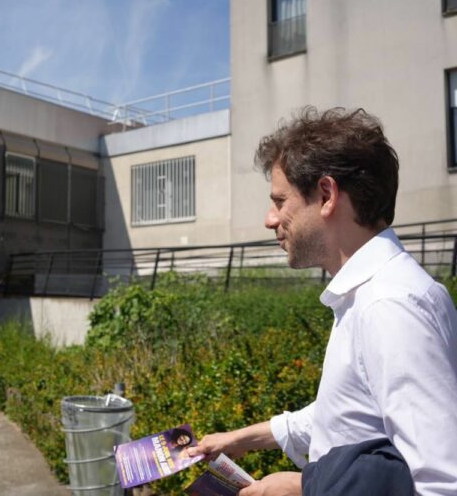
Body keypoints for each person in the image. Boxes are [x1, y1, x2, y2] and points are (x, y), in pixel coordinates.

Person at [187, 107, 457, 496]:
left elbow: (440, 484)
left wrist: (302, 489)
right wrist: (238, 439)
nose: (269, 218)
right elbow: (346, 414)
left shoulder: (389, 306)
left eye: (280, 201)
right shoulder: (370, 294)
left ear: (327, 195)